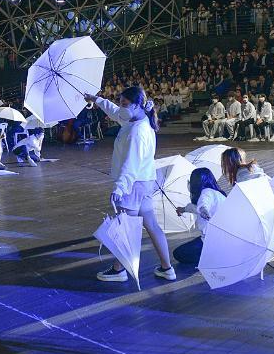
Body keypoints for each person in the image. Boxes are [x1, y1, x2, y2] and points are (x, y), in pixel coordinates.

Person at [86, 86, 176, 282]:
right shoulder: (138, 119)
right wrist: (96, 99)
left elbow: (131, 164)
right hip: (144, 182)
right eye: (120, 102)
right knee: (150, 225)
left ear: (136, 105)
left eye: (124, 103)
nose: (121, 107)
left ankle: (119, 270)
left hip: (133, 184)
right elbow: (115, 112)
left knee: (128, 229)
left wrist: (119, 187)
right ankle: (166, 268)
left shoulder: (137, 131)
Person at [173, 168, 226, 266]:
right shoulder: (218, 194)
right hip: (222, 238)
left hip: (212, 241)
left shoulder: (206, 192)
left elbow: (203, 204)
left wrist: (203, 211)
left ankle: (211, 256)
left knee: (178, 253)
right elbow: (195, 208)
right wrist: (183, 209)